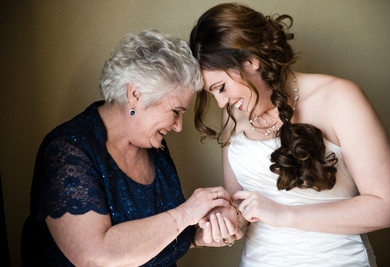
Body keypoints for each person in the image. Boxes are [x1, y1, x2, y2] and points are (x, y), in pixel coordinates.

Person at [190, 3, 390, 266]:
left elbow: (389, 208)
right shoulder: (234, 112)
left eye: (221, 87)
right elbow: (241, 203)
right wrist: (226, 218)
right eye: (213, 93)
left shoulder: (340, 98)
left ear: (250, 62)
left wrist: (285, 214)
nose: (221, 103)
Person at [21, 29, 239, 266]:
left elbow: (155, 237)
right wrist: (186, 213)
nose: (178, 127)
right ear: (134, 95)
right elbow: (94, 257)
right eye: (175, 112)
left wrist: (198, 237)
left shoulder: (154, 146)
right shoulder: (67, 150)